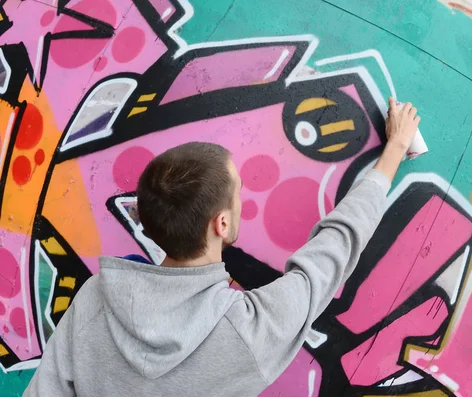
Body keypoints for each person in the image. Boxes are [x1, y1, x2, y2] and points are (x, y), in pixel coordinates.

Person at [23, 98, 420, 397]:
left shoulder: (95, 298)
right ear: (222, 224)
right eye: (238, 193)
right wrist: (394, 152)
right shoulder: (247, 330)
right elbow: (333, 252)